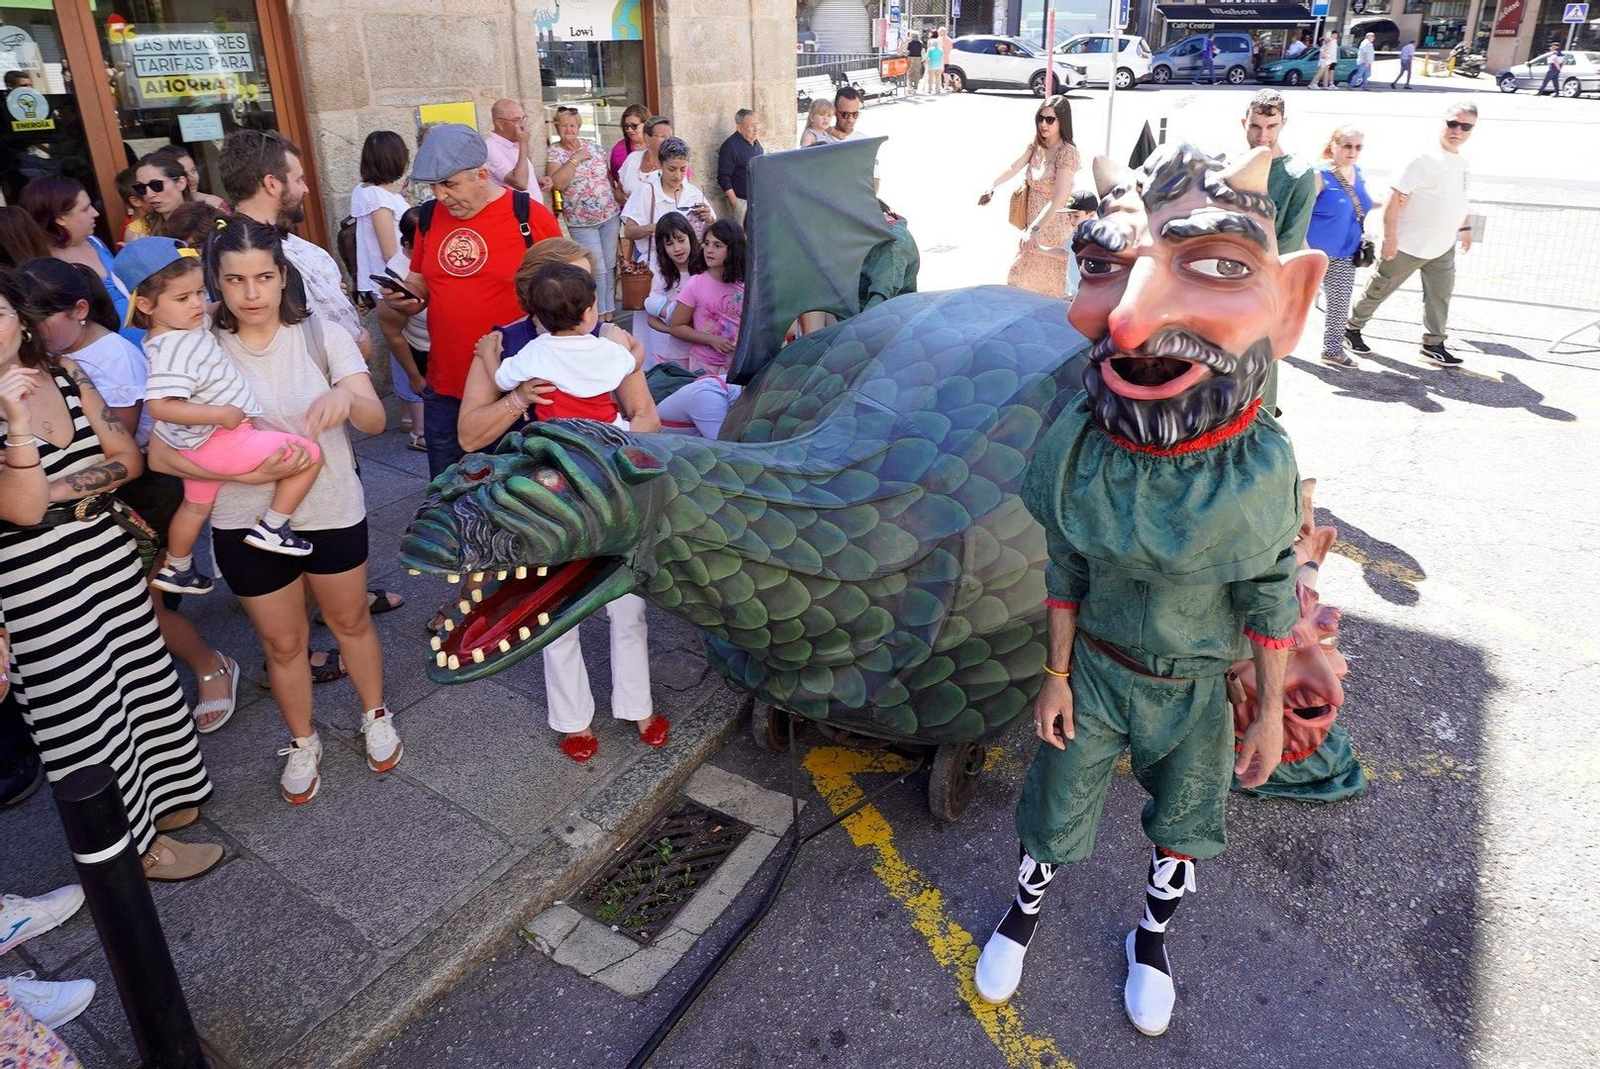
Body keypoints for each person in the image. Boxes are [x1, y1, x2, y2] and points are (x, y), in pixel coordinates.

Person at [973, 141, 1321, 1037]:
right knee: (1053, 807)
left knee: (1184, 824)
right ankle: (1022, 914)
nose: (1127, 321)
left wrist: (1272, 707)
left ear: (1290, 301)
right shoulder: (1084, 447)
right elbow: (1069, 564)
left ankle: (1152, 940)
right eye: (1104, 268)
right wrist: (1054, 673)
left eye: (1212, 266)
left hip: (1196, 684)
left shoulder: (1262, 469)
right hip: (1096, 670)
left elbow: (1271, 592)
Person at [147, 218, 398, 803]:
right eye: (235, 280)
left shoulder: (318, 335)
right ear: (216, 281)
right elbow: (160, 453)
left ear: (282, 276)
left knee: (350, 622)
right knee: (283, 646)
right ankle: (302, 738)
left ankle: (375, 712)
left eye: (264, 277)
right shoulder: (197, 344)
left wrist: (348, 396)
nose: (251, 293)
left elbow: (375, 420)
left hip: (332, 506)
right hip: (242, 522)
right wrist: (245, 472)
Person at [0, 272, 221, 879]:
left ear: (20, 318)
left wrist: (55, 489)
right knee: (78, 708)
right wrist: (15, 420)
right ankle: (131, 848)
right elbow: (19, 510)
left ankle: (168, 796)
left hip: (104, 548)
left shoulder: (69, 374)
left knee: (139, 674)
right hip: (31, 579)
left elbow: (128, 458)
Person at [456, 237, 661, 764]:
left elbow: (647, 418)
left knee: (628, 605)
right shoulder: (505, 346)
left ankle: (638, 705)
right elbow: (469, 436)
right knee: (551, 614)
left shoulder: (605, 341)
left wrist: (605, 456)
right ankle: (574, 721)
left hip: (607, 490)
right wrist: (517, 401)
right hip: (542, 498)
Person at [15, 256, 239, 734]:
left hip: (141, 498)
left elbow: (122, 450)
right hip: (98, 509)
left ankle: (210, 664)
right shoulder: (56, 361)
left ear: (78, 310)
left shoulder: (108, 359)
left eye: (37, 322)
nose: (27, 333)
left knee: (145, 609)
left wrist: (46, 482)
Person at [117, 235, 325, 595]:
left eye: (200, 291)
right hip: (220, 436)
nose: (198, 303)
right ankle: (274, 526)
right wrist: (223, 414)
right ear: (146, 305)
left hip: (199, 442)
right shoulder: (171, 348)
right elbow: (160, 406)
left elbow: (204, 313)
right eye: (184, 298)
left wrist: (214, 306)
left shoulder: (179, 325)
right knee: (308, 453)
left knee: (196, 506)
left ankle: (179, 568)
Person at [381, 123, 560, 480]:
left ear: (481, 175)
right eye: (434, 186)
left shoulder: (529, 216)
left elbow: (565, 291)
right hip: (446, 384)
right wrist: (408, 298)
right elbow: (421, 284)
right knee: (447, 494)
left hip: (512, 383)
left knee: (514, 494)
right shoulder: (429, 219)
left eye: (449, 184)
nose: (441, 195)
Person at [221, 130, 372, 362]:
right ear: (272, 184)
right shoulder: (248, 254)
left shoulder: (274, 240)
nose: (306, 189)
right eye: (298, 179)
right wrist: (354, 349)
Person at [1345, 103, 1476, 367]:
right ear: (1443, 123)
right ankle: (1350, 329)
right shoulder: (1421, 159)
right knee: (1378, 289)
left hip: (1441, 246)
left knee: (1440, 296)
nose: (1457, 130)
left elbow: (1458, 200)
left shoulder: (1461, 164)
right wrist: (1390, 238)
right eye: (1452, 123)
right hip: (1407, 245)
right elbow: (1394, 198)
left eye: (1465, 126)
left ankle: (1433, 344)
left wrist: (1464, 228)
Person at [492, 263, 635, 423]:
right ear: (587, 314)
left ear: (538, 317)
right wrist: (636, 347)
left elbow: (502, 382)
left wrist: (487, 355)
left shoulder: (536, 350)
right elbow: (632, 365)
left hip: (557, 436)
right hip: (606, 432)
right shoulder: (603, 347)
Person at [981, 96, 1080, 298]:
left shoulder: (1067, 153)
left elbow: (1059, 199)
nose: (1043, 124)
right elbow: (1014, 166)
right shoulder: (1036, 145)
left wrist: (1035, 229)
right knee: (1022, 286)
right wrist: (993, 185)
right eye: (1040, 118)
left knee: (1051, 292)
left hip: (1053, 228)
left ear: (1063, 121)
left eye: (1050, 120)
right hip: (1032, 226)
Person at [20, 176, 130, 329]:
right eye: (85, 209)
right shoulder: (51, 268)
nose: (95, 213)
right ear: (60, 219)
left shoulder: (94, 242)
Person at [1306, 125, 1373, 368]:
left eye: (1357, 147)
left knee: (1339, 304)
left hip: (1346, 252)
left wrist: (1392, 202)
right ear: (1334, 146)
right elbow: (1302, 213)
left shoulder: (1358, 172)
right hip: (1314, 254)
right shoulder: (1318, 174)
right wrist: (1303, 249)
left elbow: (1361, 204)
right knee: (1293, 304)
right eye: (1347, 145)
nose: (1352, 151)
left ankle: (1332, 351)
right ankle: (1272, 344)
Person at [547, 108, 622, 323]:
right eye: (564, 125)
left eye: (572, 125)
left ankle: (609, 311)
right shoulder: (555, 152)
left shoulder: (593, 146)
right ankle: (596, 313)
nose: (568, 129)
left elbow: (606, 175)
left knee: (609, 265)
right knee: (596, 267)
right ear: (557, 128)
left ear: (579, 127)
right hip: (582, 221)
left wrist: (614, 192)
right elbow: (558, 184)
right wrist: (575, 158)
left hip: (608, 214)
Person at [375, 206, 429, 452]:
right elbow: (393, 333)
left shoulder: (429, 257)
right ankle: (420, 433)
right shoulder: (399, 273)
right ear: (410, 241)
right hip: (423, 351)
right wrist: (415, 376)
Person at [668, 218, 746, 376]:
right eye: (707, 243)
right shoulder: (695, 284)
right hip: (705, 367)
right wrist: (711, 339)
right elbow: (676, 327)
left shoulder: (747, 284)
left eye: (717, 245)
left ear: (733, 249)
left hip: (740, 365)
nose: (709, 250)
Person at [622, 137, 712, 269]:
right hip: (656, 264)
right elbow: (629, 231)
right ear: (660, 164)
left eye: (683, 169)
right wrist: (655, 228)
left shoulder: (694, 193)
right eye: (672, 169)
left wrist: (709, 218)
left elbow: (710, 229)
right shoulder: (647, 191)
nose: (678, 175)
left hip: (691, 264)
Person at [349, 130, 411, 307]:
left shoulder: (364, 190)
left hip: (389, 280)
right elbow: (389, 252)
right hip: (395, 282)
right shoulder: (377, 197)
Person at [642, 211, 699, 368]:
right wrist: (674, 329)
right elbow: (651, 319)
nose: (677, 248)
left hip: (705, 349)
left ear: (690, 237)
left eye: (681, 240)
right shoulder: (663, 277)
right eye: (669, 244)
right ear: (662, 247)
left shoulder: (703, 269)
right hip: (679, 352)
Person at [128, 152, 195, 237]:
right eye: (141, 187)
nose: (149, 195)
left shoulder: (209, 221)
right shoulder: (138, 232)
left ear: (180, 183)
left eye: (156, 185)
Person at [717, 109, 763, 225]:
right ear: (739, 127)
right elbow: (723, 177)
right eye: (752, 126)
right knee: (741, 237)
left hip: (757, 199)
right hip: (741, 201)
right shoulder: (730, 146)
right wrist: (735, 203)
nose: (756, 129)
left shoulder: (757, 144)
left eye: (757, 125)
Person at [146, 145, 227, 211]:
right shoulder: (156, 209)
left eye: (193, 170)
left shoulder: (214, 204)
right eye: (184, 174)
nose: (192, 179)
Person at [618, 116, 677, 198]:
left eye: (670, 136)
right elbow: (619, 192)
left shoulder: (675, 163)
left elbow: (681, 197)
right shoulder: (633, 158)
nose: (669, 140)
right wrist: (627, 202)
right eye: (663, 136)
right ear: (647, 137)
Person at [610, 104, 651, 203]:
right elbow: (618, 178)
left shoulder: (658, 145)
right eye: (626, 126)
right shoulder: (619, 150)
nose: (629, 130)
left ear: (646, 124)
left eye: (634, 126)